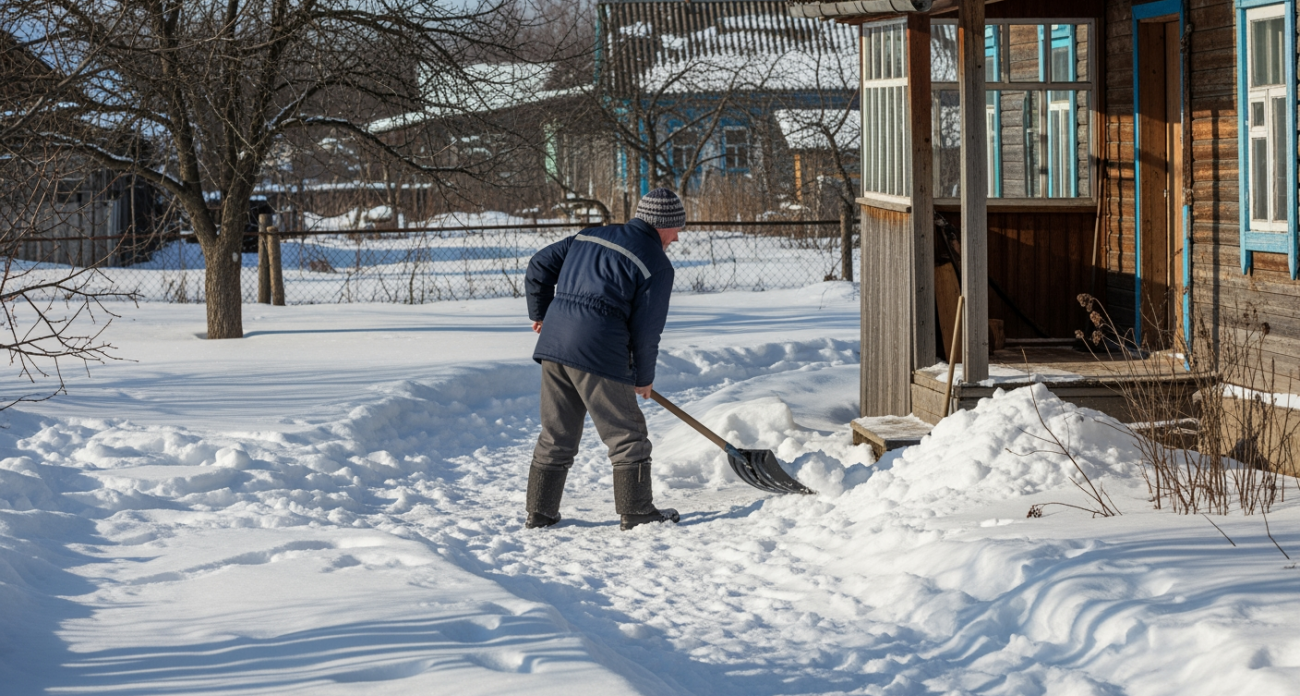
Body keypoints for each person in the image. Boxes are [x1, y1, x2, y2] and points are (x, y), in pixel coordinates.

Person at [523, 188, 684, 531]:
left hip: (554, 344)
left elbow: (538, 264)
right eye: (676, 228)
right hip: (598, 350)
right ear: (662, 225)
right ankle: (637, 510)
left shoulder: (589, 235)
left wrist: (540, 314)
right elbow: (646, 331)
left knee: (556, 433)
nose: (678, 235)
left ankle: (539, 512)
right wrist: (644, 375)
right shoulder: (656, 263)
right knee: (627, 434)